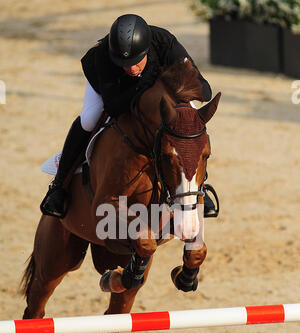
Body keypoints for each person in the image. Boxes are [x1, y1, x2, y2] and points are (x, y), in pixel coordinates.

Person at [40, 13, 218, 219]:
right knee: (89, 118)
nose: (131, 68)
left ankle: (200, 187)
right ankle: (58, 186)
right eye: (124, 63)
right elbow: (115, 107)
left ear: (146, 50)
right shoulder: (103, 57)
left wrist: (174, 83)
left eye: (136, 61)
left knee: (191, 118)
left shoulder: (165, 43)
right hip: (114, 89)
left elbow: (205, 91)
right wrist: (145, 83)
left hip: (156, 85)